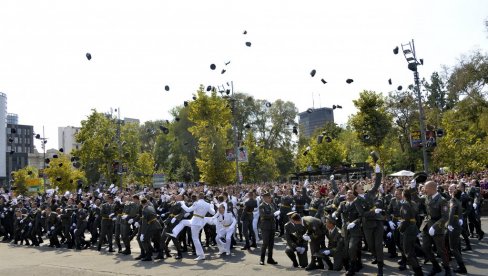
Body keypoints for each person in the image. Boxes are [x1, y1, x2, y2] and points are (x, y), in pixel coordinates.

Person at [170, 192, 216, 260]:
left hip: (195, 222)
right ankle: (174, 233)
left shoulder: (196, 203)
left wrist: (182, 203)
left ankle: (201, 255)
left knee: (195, 239)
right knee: (183, 222)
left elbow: (188, 210)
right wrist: (211, 205)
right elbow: (213, 212)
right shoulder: (207, 204)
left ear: (198, 197)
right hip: (198, 221)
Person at [420, 181, 451, 276]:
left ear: (433, 188)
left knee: (441, 250)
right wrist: (413, 189)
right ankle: (436, 266)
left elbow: (445, 217)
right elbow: (416, 199)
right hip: (426, 225)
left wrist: (435, 226)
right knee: (425, 247)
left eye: (426, 188)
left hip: (437, 227)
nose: (424, 190)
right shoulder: (427, 197)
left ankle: (447, 269)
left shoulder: (442, 200)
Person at [398, 188, 423, 276]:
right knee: (411, 250)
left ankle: (418, 273)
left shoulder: (405, 204)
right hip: (414, 227)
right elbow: (417, 217)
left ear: (404, 195)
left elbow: (405, 220)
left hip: (408, 229)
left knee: (408, 252)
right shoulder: (413, 203)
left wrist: (401, 230)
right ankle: (418, 271)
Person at [447, 186, 467, 274]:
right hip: (457, 224)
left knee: (453, 248)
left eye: (452, 191)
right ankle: (461, 265)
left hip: (453, 225)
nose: (450, 192)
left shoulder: (453, 200)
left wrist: (449, 224)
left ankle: (462, 267)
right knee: (456, 246)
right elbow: (460, 213)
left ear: (454, 194)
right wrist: (461, 219)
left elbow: (451, 212)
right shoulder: (459, 201)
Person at [258, 191, 278, 265]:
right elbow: (264, 216)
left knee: (271, 244)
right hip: (265, 227)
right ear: (265, 198)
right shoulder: (261, 206)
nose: (270, 199)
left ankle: (270, 259)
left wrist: (277, 214)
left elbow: (273, 212)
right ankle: (262, 259)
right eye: (269, 198)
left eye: (270, 197)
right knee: (265, 243)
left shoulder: (271, 205)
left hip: (272, 226)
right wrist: (274, 214)